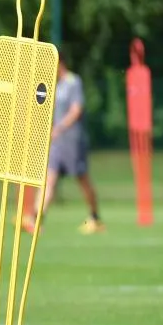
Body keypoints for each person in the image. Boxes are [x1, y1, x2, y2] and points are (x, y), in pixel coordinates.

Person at [23, 56, 104, 234]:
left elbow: (76, 109)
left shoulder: (73, 82)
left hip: (73, 140)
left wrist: (59, 128)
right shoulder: (56, 85)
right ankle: (35, 220)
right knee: (49, 180)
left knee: (82, 179)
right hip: (58, 142)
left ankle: (95, 217)